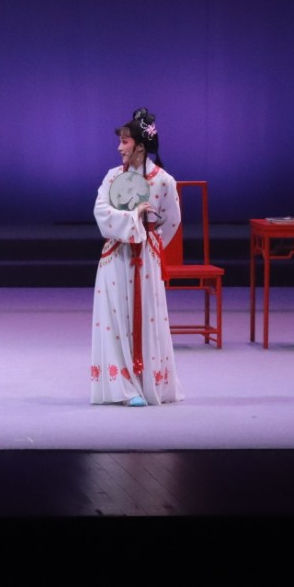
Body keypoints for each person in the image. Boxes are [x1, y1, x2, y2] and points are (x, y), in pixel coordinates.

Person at [90, 106, 181, 407]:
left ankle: (148, 383)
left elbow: (172, 220)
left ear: (141, 146)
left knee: (147, 316)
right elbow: (100, 212)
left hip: (146, 260)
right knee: (115, 319)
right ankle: (123, 387)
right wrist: (133, 219)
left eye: (125, 142)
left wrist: (149, 240)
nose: (119, 148)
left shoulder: (164, 181)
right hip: (116, 256)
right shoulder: (112, 177)